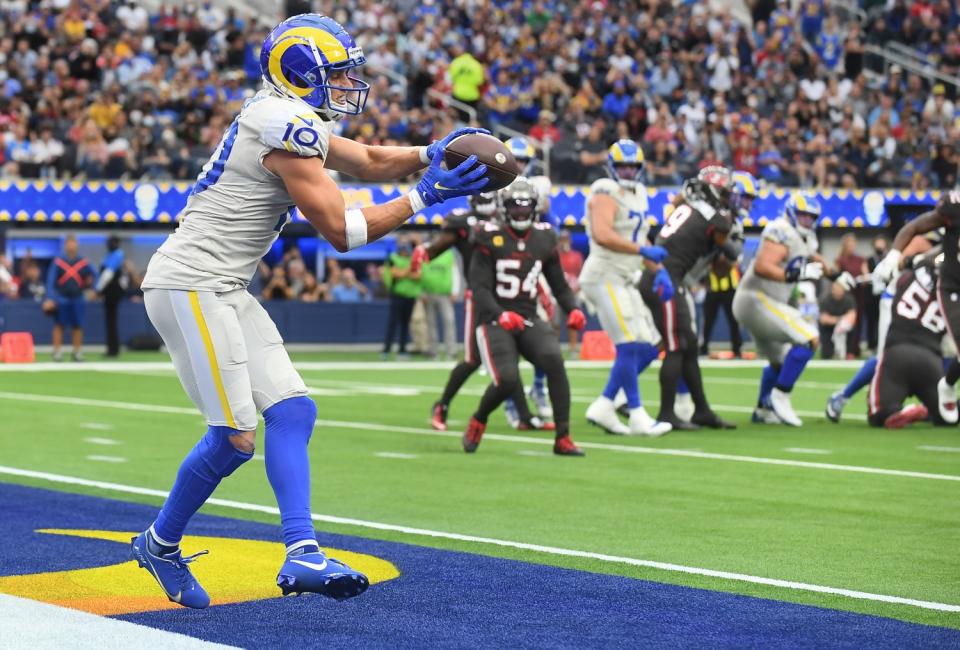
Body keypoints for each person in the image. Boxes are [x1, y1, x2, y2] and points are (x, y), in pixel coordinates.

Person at [132, 14, 490, 609]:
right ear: (299, 73)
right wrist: (426, 195)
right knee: (234, 437)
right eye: (339, 73)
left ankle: (301, 554)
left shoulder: (287, 115)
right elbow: (343, 231)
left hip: (222, 285)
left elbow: (370, 160)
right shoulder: (281, 125)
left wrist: (432, 151)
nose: (350, 83)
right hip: (190, 284)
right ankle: (158, 544)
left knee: (294, 411)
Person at [465, 178, 587, 456]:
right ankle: (480, 417)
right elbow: (479, 288)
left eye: (525, 207)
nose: (521, 213)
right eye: (515, 207)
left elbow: (559, 284)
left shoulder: (544, 238)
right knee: (507, 379)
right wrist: (501, 313)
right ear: (504, 208)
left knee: (555, 361)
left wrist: (574, 307)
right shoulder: (489, 236)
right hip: (495, 320)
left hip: (528, 316)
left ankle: (563, 437)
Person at [416, 192, 549, 432]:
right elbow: (438, 246)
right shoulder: (464, 222)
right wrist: (424, 251)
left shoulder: (509, 221)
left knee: (510, 357)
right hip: (481, 298)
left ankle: (523, 415)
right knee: (472, 359)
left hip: (511, 301)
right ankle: (442, 406)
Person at [580, 140, 673, 436]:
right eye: (623, 166)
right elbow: (603, 234)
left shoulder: (641, 194)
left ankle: (606, 405)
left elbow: (639, 238)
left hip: (626, 277)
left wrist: (659, 271)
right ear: (611, 166)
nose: (628, 171)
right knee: (629, 344)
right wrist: (643, 253)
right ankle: (636, 413)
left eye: (633, 166)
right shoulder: (604, 189)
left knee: (648, 346)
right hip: (604, 273)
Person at [642, 167, 737, 430]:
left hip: (664, 276)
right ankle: (666, 413)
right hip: (665, 280)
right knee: (676, 345)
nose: (728, 198)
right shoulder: (716, 217)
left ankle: (702, 410)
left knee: (690, 344)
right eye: (725, 192)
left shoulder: (686, 205)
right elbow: (728, 251)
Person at [733, 194, 826, 426]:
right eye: (803, 215)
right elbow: (763, 267)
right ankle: (780, 396)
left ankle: (764, 409)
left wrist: (838, 275)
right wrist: (794, 274)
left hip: (766, 302)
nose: (806, 221)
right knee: (809, 338)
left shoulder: (806, 239)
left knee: (781, 361)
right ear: (792, 212)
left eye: (811, 217)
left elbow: (813, 258)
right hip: (756, 298)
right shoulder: (780, 229)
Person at [873, 192, 960, 426]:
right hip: (952, 291)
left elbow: (936, 251)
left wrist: (907, 259)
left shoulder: (924, 264)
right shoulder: (954, 208)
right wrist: (894, 258)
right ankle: (946, 388)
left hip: (907, 345)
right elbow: (916, 229)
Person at [868, 262, 952, 428]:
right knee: (947, 417)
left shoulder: (907, 277)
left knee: (879, 414)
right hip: (931, 361)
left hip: (897, 353)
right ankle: (932, 410)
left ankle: (907, 411)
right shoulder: (950, 298)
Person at [44, 234, 96, 362]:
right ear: (65, 245)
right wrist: (50, 297)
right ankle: (57, 352)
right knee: (59, 325)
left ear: (77, 245)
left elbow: (95, 274)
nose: (72, 246)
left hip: (78, 298)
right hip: (61, 298)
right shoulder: (58, 261)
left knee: (78, 326)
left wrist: (94, 290)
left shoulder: (83, 262)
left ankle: (77, 352)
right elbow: (50, 281)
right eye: (69, 243)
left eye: (74, 243)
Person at [382, 238, 422, 358]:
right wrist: (408, 272)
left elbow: (418, 276)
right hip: (397, 294)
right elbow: (395, 274)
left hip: (410, 295)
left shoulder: (413, 259)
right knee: (393, 322)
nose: (404, 251)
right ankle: (386, 349)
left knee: (406, 323)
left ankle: (402, 349)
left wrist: (404, 273)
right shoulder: (393, 258)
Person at [834, 233, 867, 357]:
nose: (852, 246)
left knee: (858, 321)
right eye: (850, 244)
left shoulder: (860, 259)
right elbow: (835, 277)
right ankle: (843, 348)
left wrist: (863, 279)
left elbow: (865, 274)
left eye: (854, 244)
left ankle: (854, 350)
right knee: (846, 321)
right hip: (846, 295)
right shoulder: (839, 260)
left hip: (858, 294)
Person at [96, 236, 128, 357]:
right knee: (111, 320)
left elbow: (108, 274)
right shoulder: (112, 255)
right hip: (110, 292)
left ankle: (113, 350)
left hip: (112, 292)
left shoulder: (117, 254)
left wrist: (98, 289)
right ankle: (112, 348)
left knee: (111, 320)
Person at [818, 279, 857, 359]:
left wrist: (841, 323)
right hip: (828, 327)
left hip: (844, 327)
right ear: (832, 289)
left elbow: (852, 316)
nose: (838, 291)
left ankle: (849, 352)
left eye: (840, 288)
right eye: (836, 289)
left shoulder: (849, 299)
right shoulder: (825, 299)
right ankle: (830, 351)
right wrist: (840, 320)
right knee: (826, 354)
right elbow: (823, 319)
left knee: (851, 328)